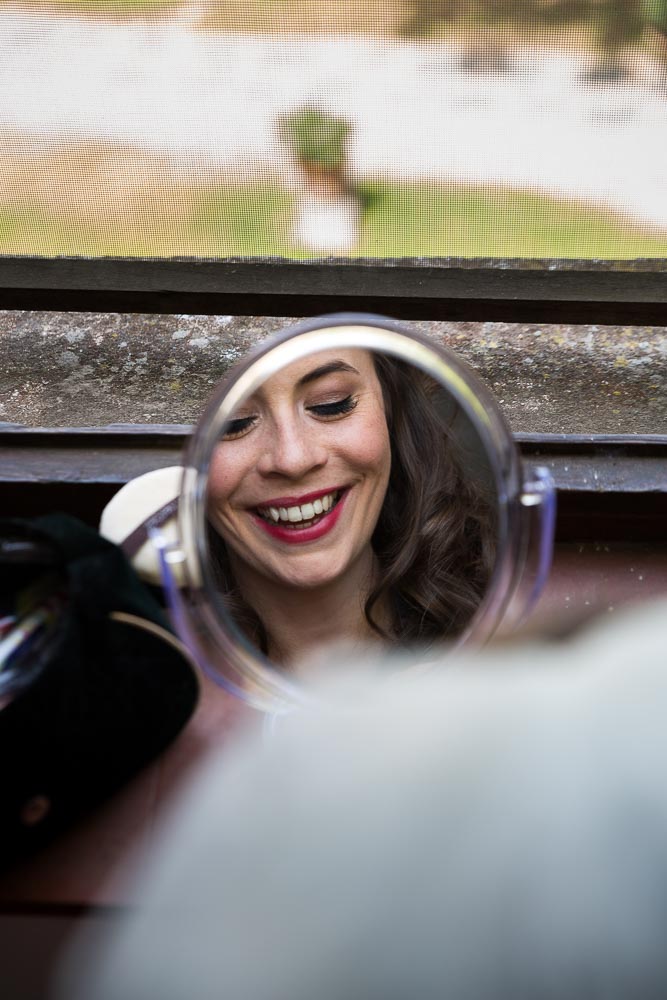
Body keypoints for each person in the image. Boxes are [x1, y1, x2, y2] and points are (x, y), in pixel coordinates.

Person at [206, 347, 495, 666]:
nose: (293, 459)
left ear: (390, 408)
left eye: (331, 404)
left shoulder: (502, 650)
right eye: (234, 423)